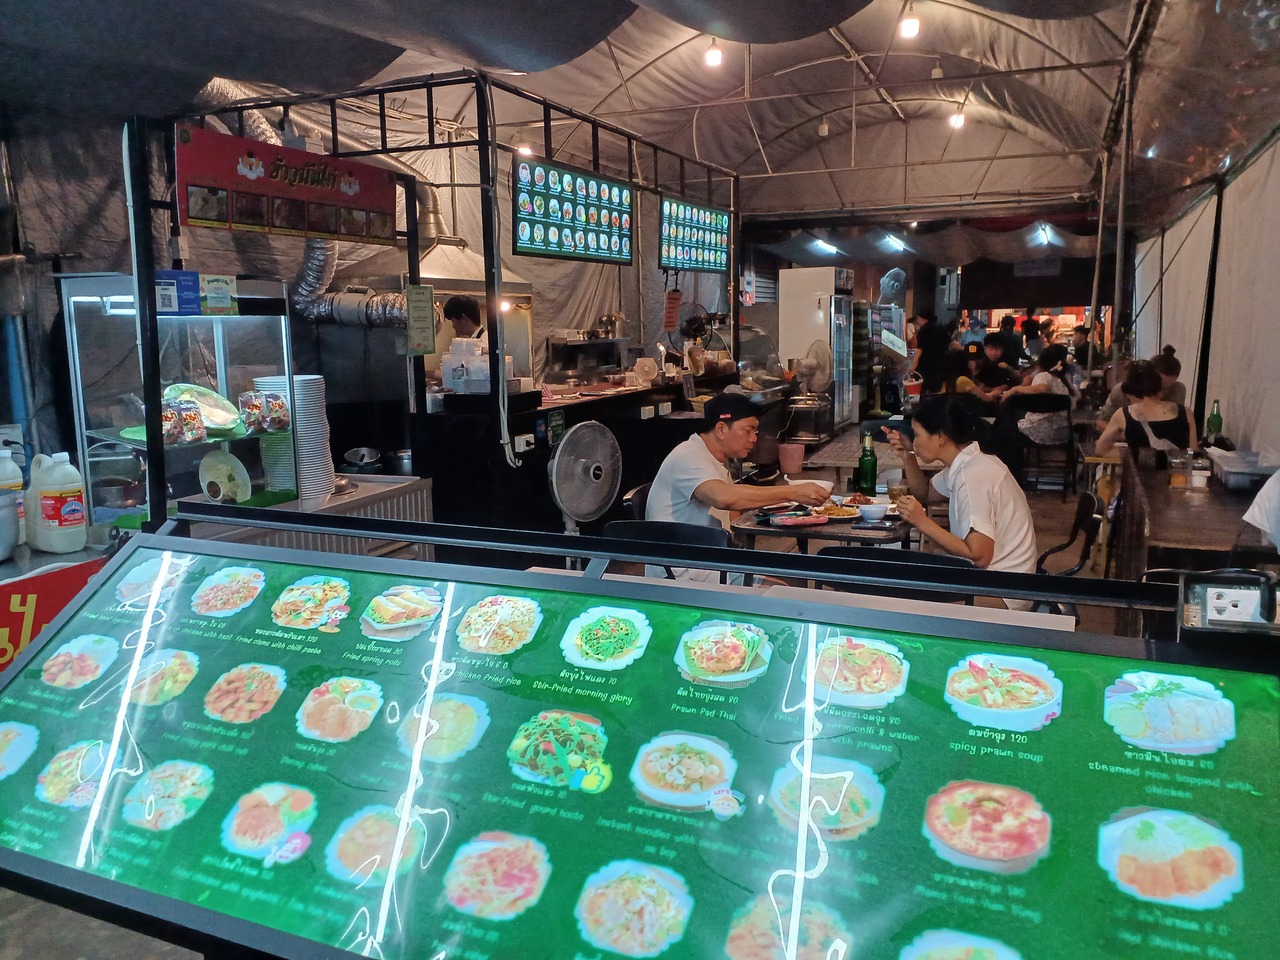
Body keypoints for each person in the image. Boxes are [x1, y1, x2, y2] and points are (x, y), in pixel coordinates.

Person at [646, 394, 828, 580]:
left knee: (789, 574)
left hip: (709, 558)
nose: (754, 439)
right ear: (721, 429)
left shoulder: (714, 456)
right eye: (748, 430)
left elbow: (732, 509)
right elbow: (724, 498)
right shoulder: (689, 456)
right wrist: (793, 492)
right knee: (781, 587)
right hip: (683, 569)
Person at [887, 396, 1038, 609]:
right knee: (910, 582)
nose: (915, 442)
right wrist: (908, 456)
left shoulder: (972, 476)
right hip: (997, 582)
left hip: (1004, 593)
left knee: (904, 598)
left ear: (940, 437)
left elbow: (980, 556)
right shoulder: (968, 463)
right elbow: (926, 493)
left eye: (918, 435)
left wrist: (922, 522)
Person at [1096, 359, 1197, 457]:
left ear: (1131, 392)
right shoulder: (1186, 412)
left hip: (1141, 468)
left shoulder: (1124, 414)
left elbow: (1101, 450)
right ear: (1159, 388)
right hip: (1177, 468)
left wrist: (1132, 454)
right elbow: (1193, 452)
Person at [1095, 345, 1187, 430]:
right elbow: (1101, 422)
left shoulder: (1178, 390)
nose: (1160, 394)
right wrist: (1125, 433)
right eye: (1156, 387)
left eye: (1166, 388)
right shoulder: (1123, 390)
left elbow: (1177, 426)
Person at [1002, 343, 1074, 447]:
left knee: (1007, 424)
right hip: (1064, 432)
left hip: (1041, 431)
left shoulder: (1043, 376)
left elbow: (1042, 388)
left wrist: (1015, 389)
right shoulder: (1067, 379)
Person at [909, 309, 951, 393]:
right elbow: (950, 344)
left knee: (923, 392)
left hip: (925, 368)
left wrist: (912, 366)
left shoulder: (924, 330)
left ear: (924, 319)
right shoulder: (941, 329)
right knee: (935, 392)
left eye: (918, 319)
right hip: (939, 367)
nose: (917, 321)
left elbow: (919, 350)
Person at [970, 332, 1021, 401]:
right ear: (985, 348)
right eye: (991, 349)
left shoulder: (1007, 360)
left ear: (1003, 349)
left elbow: (1016, 377)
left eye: (997, 349)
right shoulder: (979, 361)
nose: (994, 353)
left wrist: (1008, 368)